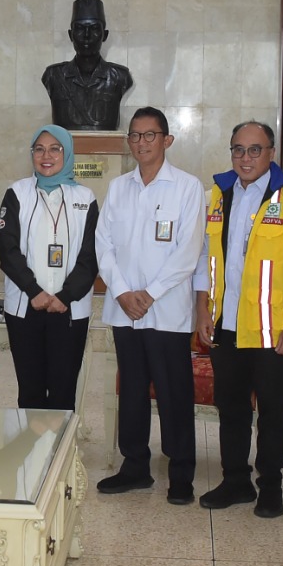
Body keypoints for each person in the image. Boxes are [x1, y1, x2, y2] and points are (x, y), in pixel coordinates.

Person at [193, 121, 283, 518]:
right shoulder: (219, 194)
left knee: (274, 413)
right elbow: (205, 258)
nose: (246, 158)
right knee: (231, 409)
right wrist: (203, 310)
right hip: (226, 326)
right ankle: (235, 481)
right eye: (238, 150)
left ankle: (271, 487)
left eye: (255, 150)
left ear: (271, 153)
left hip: (272, 330)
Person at [94, 107, 206, 504]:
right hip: (125, 309)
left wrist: (150, 293)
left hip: (167, 310)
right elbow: (103, 243)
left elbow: (189, 251)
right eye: (135, 136)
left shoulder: (188, 187)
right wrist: (124, 291)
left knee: (174, 393)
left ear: (167, 140)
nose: (141, 143)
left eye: (150, 135)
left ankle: (181, 473)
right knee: (132, 389)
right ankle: (135, 466)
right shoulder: (118, 188)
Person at [0, 125, 100, 410]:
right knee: (30, 392)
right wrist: (34, 291)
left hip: (69, 309)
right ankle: (30, 442)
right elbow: (7, 249)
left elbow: (91, 255)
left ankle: (61, 442)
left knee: (63, 393)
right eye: (39, 149)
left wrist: (65, 296)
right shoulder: (17, 193)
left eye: (55, 149)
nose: (46, 156)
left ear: (67, 154)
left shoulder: (85, 198)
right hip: (25, 306)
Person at [41, 0, 135, 131]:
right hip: (64, 144)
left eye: (94, 28)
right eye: (79, 28)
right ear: (70, 35)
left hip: (106, 144)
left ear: (105, 35)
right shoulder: (53, 75)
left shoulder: (120, 77)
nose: (86, 35)